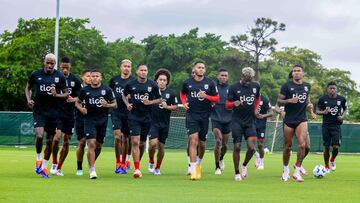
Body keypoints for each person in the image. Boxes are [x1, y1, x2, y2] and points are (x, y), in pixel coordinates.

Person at [25, 53, 68, 178]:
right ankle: (38, 158)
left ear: (55, 64)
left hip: (54, 113)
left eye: (52, 63)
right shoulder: (36, 74)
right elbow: (28, 88)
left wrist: (56, 95)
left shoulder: (59, 77)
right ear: (44, 62)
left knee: (50, 141)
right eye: (48, 63)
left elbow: (66, 94)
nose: (50, 65)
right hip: (39, 111)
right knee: (39, 135)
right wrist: (28, 99)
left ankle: (44, 167)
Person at [180, 61, 219, 180]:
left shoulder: (210, 83)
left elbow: (217, 98)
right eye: (199, 67)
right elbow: (182, 93)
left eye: (203, 67)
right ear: (194, 69)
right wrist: (184, 103)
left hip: (204, 116)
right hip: (192, 115)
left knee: (202, 144)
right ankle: (192, 169)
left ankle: (198, 164)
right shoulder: (187, 82)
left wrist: (206, 96)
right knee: (193, 140)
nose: (201, 69)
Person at [277, 64, 316, 182]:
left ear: (303, 73)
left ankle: (297, 171)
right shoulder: (286, 86)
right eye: (294, 71)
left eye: (299, 70)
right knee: (287, 147)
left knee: (303, 145)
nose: (296, 72)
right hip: (289, 120)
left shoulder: (307, 86)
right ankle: (285, 170)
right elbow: (279, 102)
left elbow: (307, 101)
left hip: (302, 119)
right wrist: (289, 100)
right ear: (292, 73)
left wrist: (310, 109)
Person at [76, 69, 117, 179]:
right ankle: (92, 170)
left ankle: (91, 160)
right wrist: (81, 109)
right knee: (91, 144)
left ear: (101, 78)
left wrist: (106, 105)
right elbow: (77, 102)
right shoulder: (85, 90)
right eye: (92, 76)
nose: (94, 78)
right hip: (89, 120)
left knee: (98, 146)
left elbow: (115, 104)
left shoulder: (107, 90)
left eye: (97, 76)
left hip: (102, 121)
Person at [122, 64, 162, 178]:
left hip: (147, 118)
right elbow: (123, 95)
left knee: (142, 143)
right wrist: (127, 104)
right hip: (134, 117)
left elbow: (160, 99)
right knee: (135, 141)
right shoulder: (131, 84)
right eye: (141, 70)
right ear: (137, 71)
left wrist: (150, 102)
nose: (143, 72)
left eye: (145, 70)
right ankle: (137, 169)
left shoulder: (153, 85)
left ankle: (137, 163)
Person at [226, 67, 260, 181]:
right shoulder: (233, 87)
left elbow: (258, 98)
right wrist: (233, 104)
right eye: (246, 80)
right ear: (242, 77)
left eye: (249, 80)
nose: (247, 82)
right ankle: (236, 172)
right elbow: (227, 104)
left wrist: (256, 108)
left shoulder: (256, 86)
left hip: (250, 122)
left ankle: (244, 165)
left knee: (251, 148)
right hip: (237, 121)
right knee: (237, 147)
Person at [50, 57, 82, 176]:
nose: (64, 69)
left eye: (66, 67)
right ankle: (53, 163)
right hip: (57, 113)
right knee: (56, 138)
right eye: (62, 67)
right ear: (60, 66)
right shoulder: (55, 78)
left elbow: (81, 95)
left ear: (70, 67)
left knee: (67, 141)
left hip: (70, 114)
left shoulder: (75, 80)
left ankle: (59, 167)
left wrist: (73, 99)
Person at [148, 69, 178, 175]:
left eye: (164, 80)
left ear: (167, 81)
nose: (162, 81)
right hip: (152, 123)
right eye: (160, 79)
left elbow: (175, 107)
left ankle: (157, 167)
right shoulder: (151, 92)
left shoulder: (171, 93)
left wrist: (167, 107)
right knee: (152, 144)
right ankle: (151, 161)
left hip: (164, 124)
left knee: (161, 147)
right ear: (156, 80)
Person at [109, 59, 134, 174]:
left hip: (129, 114)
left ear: (131, 68)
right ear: (121, 67)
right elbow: (108, 93)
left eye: (129, 66)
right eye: (125, 66)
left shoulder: (133, 81)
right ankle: (117, 162)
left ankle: (124, 163)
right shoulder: (114, 80)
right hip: (116, 112)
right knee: (118, 136)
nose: (126, 68)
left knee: (126, 138)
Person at [316, 81, 347, 172]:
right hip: (326, 126)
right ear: (328, 89)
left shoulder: (342, 99)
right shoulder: (322, 99)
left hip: (336, 126)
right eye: (330, 88)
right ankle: (326, 166)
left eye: (334, 88)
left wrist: (342, 117)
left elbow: (345, 109)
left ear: (336, 89)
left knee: (336, 147)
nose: (332, 90)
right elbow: (317, 111)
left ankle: (332, 159)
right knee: (326, 147)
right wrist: (323, 112)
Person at [211, 68, 232, 175]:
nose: (223, 77)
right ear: (218, 76)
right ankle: (217, 167)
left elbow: (235, 101)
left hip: (228, 119)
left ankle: (221, 158)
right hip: (216, 118)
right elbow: (208, 98)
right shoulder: (213, 87)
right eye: (222, 75)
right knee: (218, 140)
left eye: (225, 75)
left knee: (225, 145)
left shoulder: (231, 88)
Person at [75, 69, 91, 176]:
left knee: (94, 144)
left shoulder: (97, 88)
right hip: (80, 118)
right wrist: (81, 109)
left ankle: (91, 164)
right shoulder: (78, 89)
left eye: (91, 76)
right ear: (83, 77)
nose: (90, 78)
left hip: (94, 119)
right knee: (81, 142)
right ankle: (79, 167)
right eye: (87, 76)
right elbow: (76, 101)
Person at [254, 95, 273, 170]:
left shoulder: (264, 99)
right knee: (250, 145)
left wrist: (263, 115)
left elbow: (271, 113)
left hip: (261, 125)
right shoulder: (249, 97)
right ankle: (257, 155)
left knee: (260, 144)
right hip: (249, 124)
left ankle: (261, 162)